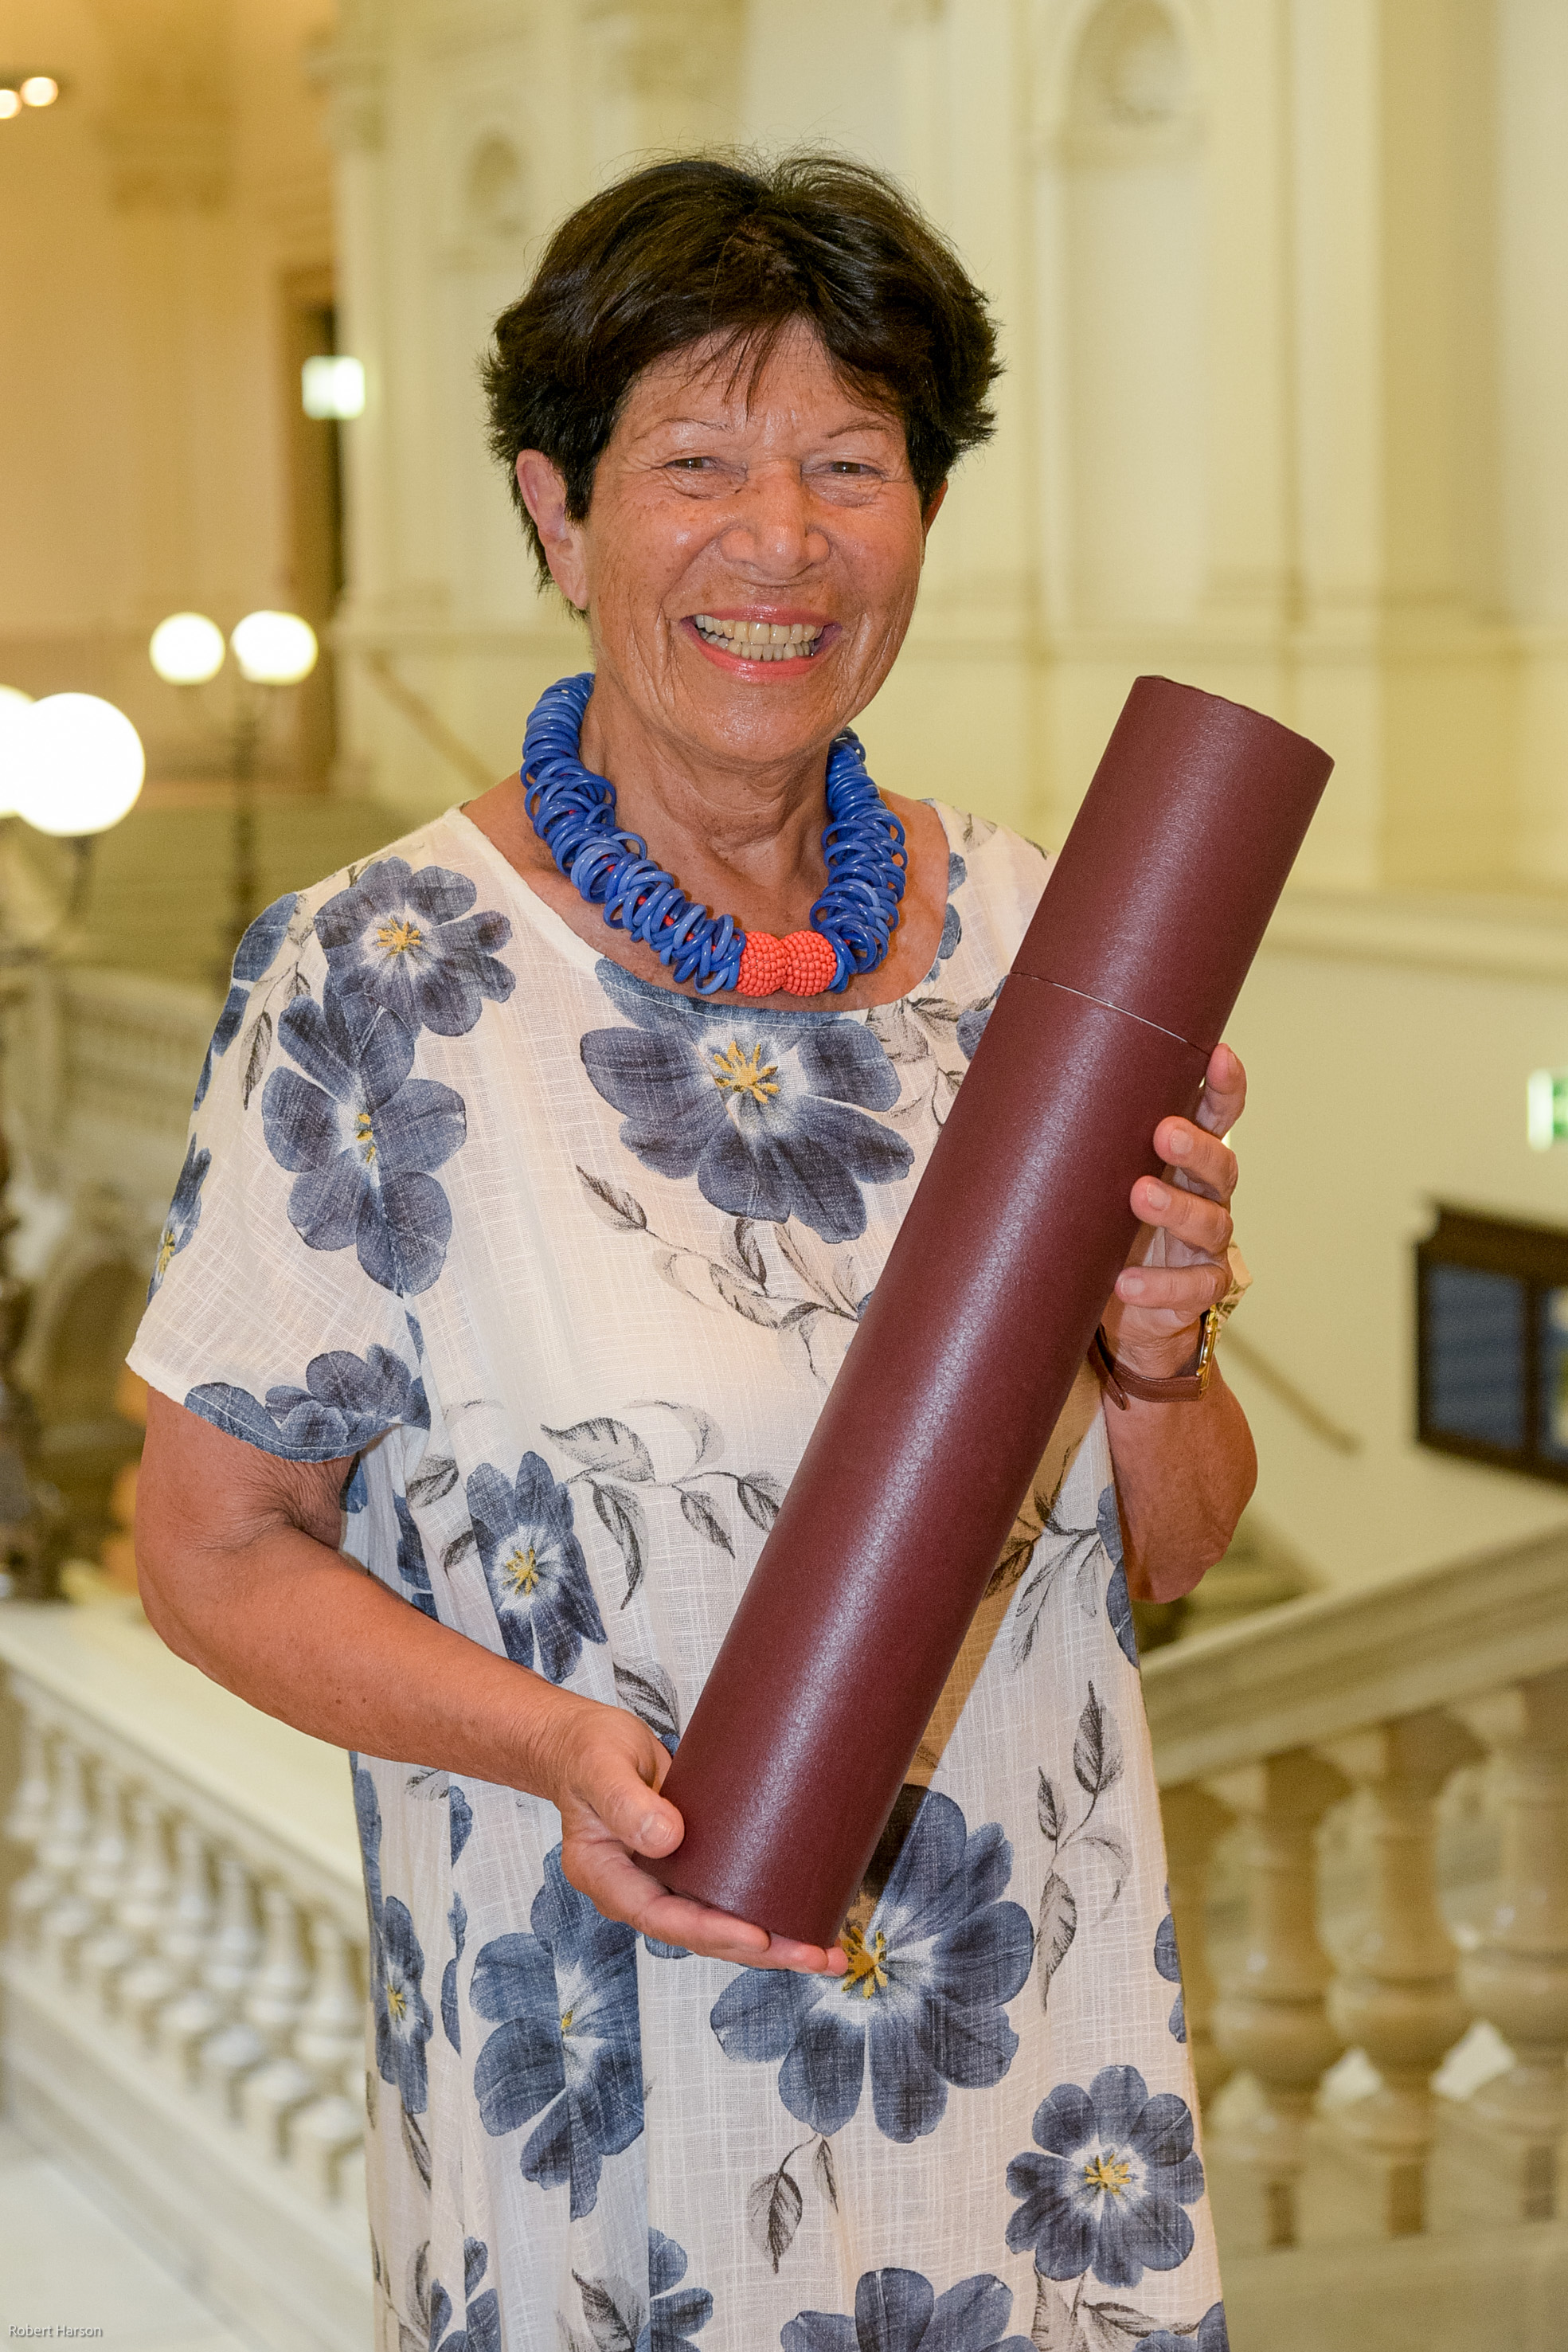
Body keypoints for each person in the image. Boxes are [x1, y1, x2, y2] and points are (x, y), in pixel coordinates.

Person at [134, 154, 1250, 2352]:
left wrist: (1157, 1355)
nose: (783, 539)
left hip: (1035, 2064)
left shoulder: (1057, 941)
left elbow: (1171, 1551)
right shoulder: (376, 977)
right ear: (555, 517)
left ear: (922, 513)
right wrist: (546, 1738)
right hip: (603, 2082)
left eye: (852, 463)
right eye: (698, 463)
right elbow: (211, 1542)